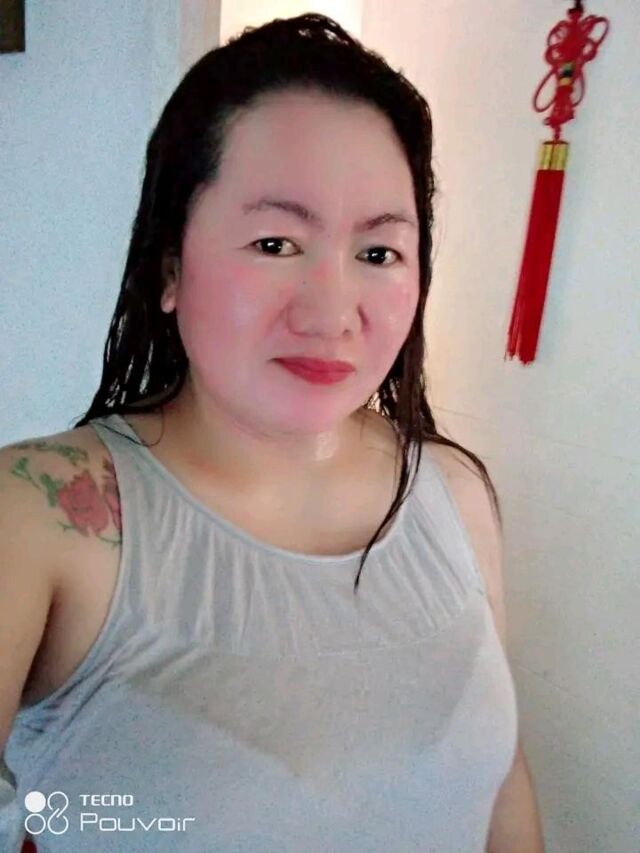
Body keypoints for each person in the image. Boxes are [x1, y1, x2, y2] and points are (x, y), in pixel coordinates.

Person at [0, 12, 544, 852]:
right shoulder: (39, 518)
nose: (331, 315)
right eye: (275, 242)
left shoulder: (456, 494)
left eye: (378, 253)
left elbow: (501, 786)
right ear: (170, 267)